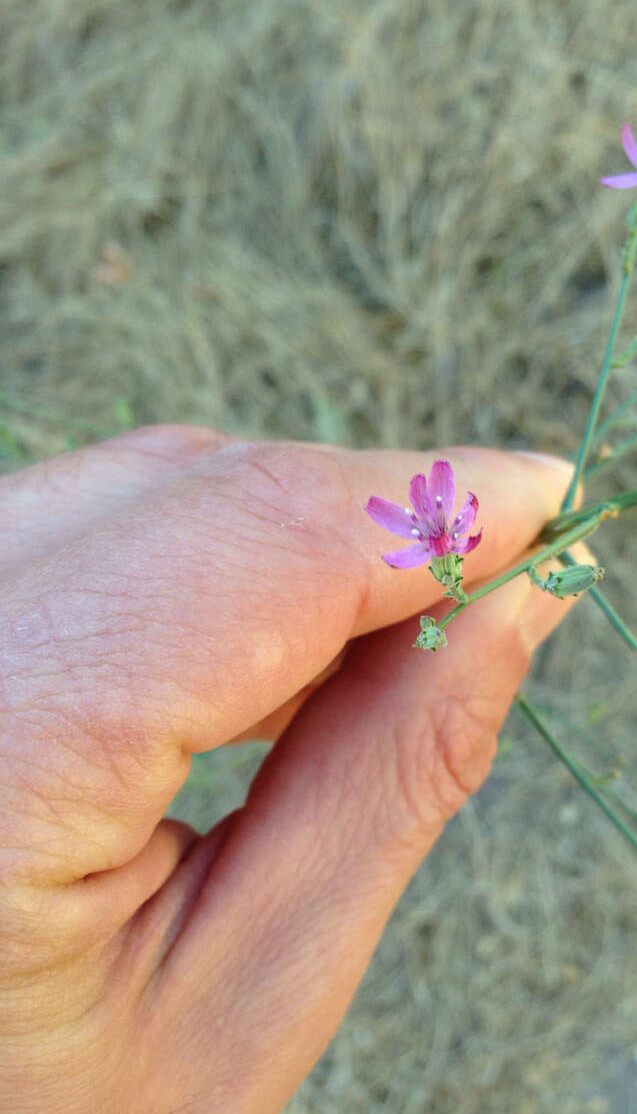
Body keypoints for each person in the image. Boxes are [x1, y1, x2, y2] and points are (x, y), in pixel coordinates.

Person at [0, 424, 592, 1112]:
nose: (434, 532)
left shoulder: (439, 543)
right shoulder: (432, 549)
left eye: (441, 529)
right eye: (432, 533)